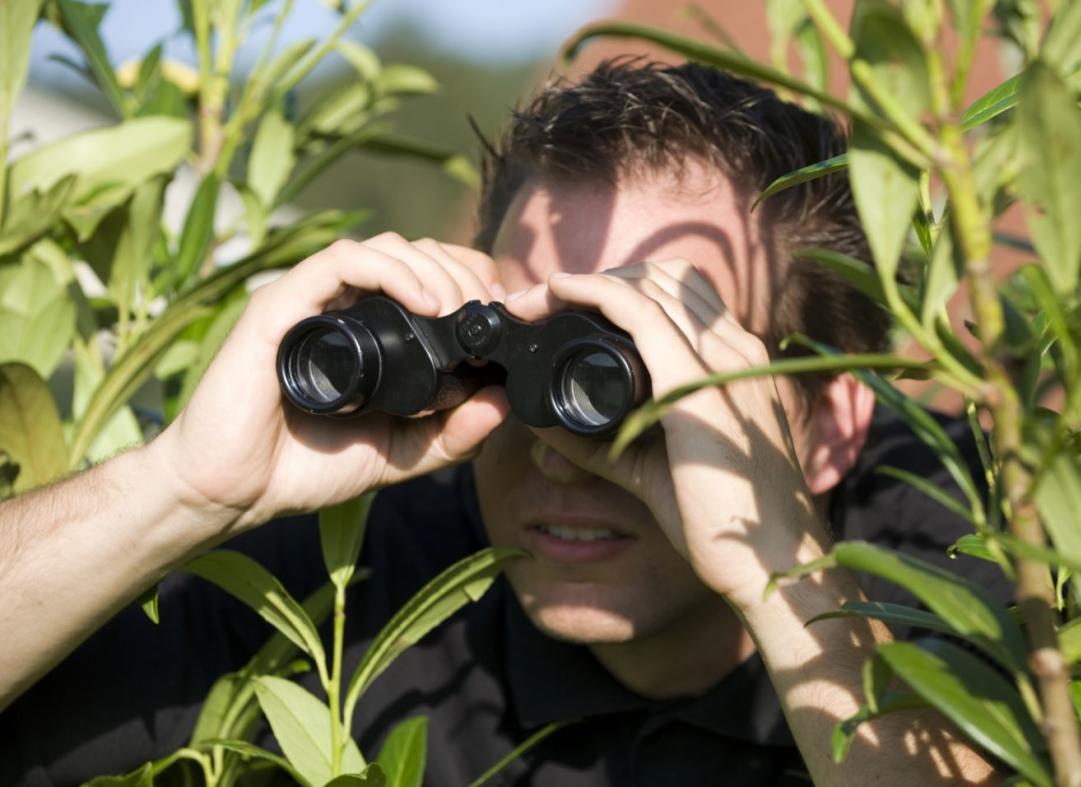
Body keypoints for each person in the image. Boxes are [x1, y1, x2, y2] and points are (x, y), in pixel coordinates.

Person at [0, 60, 1008, 785]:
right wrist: (180, 487)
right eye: (519, 352)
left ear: (829, 423)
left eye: (637, 373)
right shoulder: (380, 568)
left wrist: (780, 572)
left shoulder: (969, 539)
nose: (562, 453)